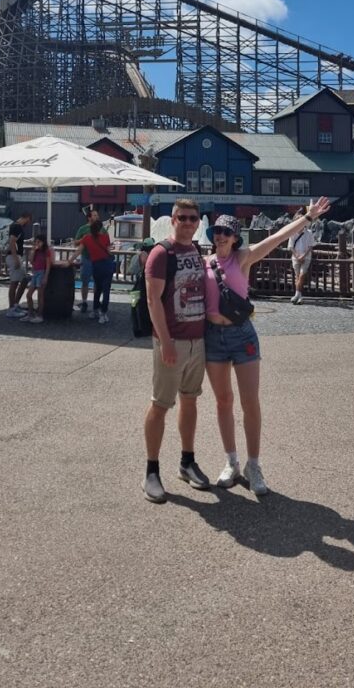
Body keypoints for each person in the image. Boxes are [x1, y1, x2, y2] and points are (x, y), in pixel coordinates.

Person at [205, 198, 331, 496]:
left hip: (242, 335)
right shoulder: (204, 263)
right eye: (216, 231)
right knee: (223, 401)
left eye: (225, 231)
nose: (220, 235)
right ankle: (231, 462)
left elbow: (277, 238)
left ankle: (253, 464)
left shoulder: (243, 258)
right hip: (213, 337)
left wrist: (308, 218)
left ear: (235, 237)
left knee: (250, 402)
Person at [141, 199, 209, 503]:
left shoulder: (196, 251)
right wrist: (165, 341)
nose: (187, 222)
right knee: (160, 404)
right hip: (172, 341)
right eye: (182, 217)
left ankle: (187, 461)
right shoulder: (161, 253)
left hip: (198, 340)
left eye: (192, 218)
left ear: (198, 222)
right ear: (173, 219)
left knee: (190, 400)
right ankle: (151, 470)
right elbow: (153, 300)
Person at [64, 218, 114, 324]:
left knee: (98, 289)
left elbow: (78, 251)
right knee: (106, 291)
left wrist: (69, 261)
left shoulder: (86, 238)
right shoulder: (105, 237)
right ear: (100, 229)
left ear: (90, 229)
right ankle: (103, 313)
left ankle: (95, 310)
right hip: (107, 265)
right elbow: (109, 251)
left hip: (95, 265)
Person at [21, 234, 53, 323]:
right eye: (36, 242)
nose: (37, 243)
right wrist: (33, 251)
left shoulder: (46, 251)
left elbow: (48, 265)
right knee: (29, 294)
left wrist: (46, 277)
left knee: (40, 295)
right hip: (35, 272)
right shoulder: (36, 251)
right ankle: (30, 314)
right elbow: (31, 261)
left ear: (43, 242)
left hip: (42, 272)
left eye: (39, 242)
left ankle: (40, 315)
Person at [5, 212, 31, 317]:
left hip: (13, 256)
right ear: (27, 218)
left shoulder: (14, 226)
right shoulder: (17, 227)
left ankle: (15, 304)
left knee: (23, 279)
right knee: (14, 282)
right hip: (13, 256)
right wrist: (16, 259)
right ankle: (12, 308)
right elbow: (12, 242)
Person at [74, 208, 100, 313]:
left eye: (97, 215)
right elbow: (75, 243)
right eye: (94, 215)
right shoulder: (82, 229)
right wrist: (83, 239)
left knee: (97, 282)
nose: (97, 217)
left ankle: (96, 303)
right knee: (85, 282)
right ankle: (84, 302)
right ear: (89, 217)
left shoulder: (101, 228)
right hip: (86, 258)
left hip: (98, 259)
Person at [288, 206, 314, 304]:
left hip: (306, 257)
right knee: (297, 276)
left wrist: (303, 256)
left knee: (302, 275)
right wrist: (297, 256)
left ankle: (296, 295)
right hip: (296, 257)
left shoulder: (309, 233)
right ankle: (299, 296)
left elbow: (310, 247)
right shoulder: (293, 233)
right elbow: (291, 247)